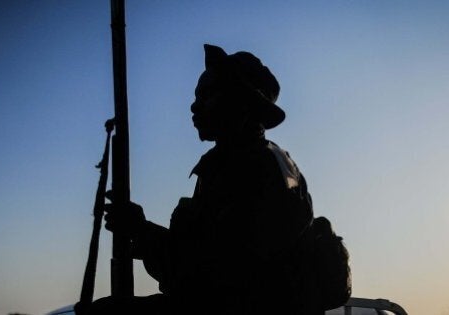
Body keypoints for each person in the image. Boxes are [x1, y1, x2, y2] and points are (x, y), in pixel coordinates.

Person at [81, 44, 318, 315]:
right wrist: (142, 230)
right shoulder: (237, 162)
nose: (194, 105)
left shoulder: (256, 168)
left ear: (241, 103)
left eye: (208, 95)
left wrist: (141, 231)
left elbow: (218, 274)